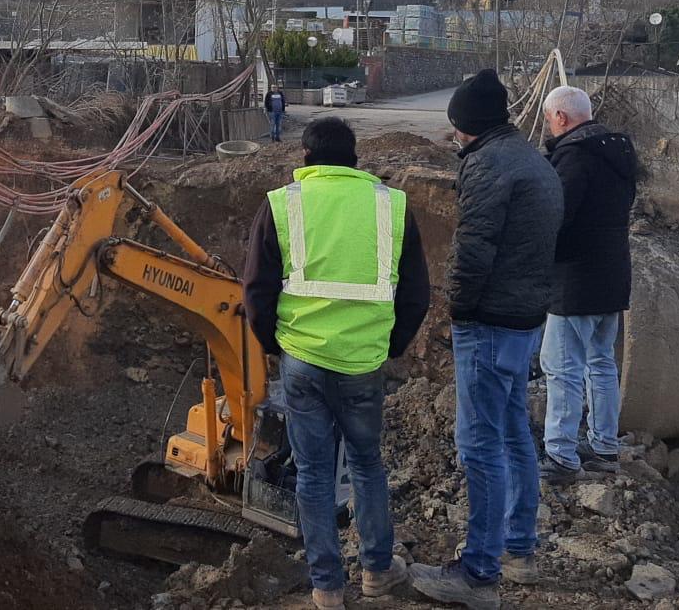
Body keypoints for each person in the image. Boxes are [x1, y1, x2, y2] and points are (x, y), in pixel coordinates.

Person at [244, 116, 431, 608]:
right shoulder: (392, 206)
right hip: (362, 363)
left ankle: (326, 588)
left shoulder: (282, 204)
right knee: (367, 466)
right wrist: (389, 346)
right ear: (354, 160)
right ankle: (375, 572)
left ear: (305, 158)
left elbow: (256, 293)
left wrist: (275, 343)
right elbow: (416, 294)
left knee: (312, 472)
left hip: (302, 360)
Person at [410, 69, 563, 610]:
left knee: (479, 445)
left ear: (466, 125)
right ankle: (519, 550)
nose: (453, 136)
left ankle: (478, 574)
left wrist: (458, 310)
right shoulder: (534, 161)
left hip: (491, 322)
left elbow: (473, 249)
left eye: (455, 127)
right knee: (514, 431)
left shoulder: (488, 166)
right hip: (523, 319)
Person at [538, 85, 637, 485]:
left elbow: (557, 218)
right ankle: (604, 447)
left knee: (561, 368)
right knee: (601, 364)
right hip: (612, 275)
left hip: (575, 280)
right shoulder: (619, 154)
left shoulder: (574, 158)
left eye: (548, 119)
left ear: (560, 117)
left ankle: (560, 455)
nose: (549, 127)